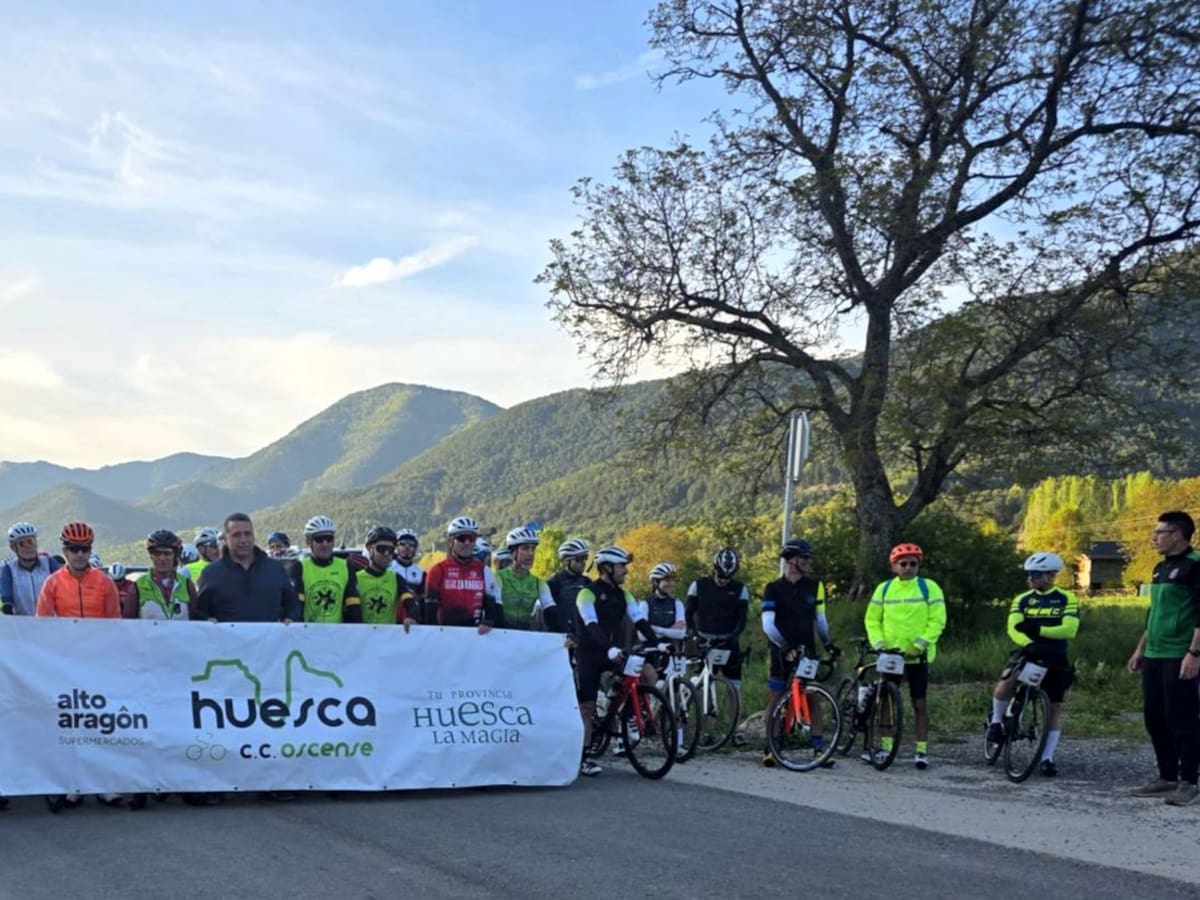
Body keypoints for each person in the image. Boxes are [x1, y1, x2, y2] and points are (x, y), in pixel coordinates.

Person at [1128, 510, 1200, 807]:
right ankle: (1166, 776)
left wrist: (1194, 653)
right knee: (1154, 716)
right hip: (1155, 652)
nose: (1153, 537)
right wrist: (1140, 648)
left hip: (1180, 652)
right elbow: (1154, 613)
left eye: (1160, 532)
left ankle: (1189, 781)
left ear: (1177, 535)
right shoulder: (1159, 568)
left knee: (1180, 717)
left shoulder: (1195, 566)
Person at [986, 552, 1079, 777]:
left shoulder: (1066, 598)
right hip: (1027, 650)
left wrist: (1039, 630)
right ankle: (997, 722)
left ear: (1050, 576)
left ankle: (1047, 757)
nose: (1031, 579)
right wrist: (1028, 642)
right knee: (1007, 681)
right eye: (1029, 574)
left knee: (1054, 706)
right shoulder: (1023, 599)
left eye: (1035, 574)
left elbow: (1070, 629)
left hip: (1056, 655)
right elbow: (1013, 627)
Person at [574, 546, 660, 777]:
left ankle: (629, 716)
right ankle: (585, 756)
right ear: (607, 568)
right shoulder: (587, 593)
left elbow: (640, 620)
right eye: (622, 566)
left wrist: (658, 643)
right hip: (590, 653)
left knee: (648, 672)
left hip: (616, 651)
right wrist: (609, 648)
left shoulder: (624, 594)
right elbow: (591, 625)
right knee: (587, 707)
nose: (626, 571)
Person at [865, 542, 946, 770]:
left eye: (913, 563)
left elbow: (937, 619)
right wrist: (879, 643)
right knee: (886, 702)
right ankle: (887, 745)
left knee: (919, 703)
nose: (908, 567)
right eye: (903, 564)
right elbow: (872, 619)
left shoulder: (929, 588)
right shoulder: (883, 589)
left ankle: (921, 750)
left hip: (917, 656)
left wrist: (921, 644)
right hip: (890, 655)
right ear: (894, 567)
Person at [761, 539, 835, 768]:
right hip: (781, 649)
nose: (808, 562)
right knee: (775, 698)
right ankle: (770, 747)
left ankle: (818, 747)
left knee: (812, 696)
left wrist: (828, 643)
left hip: (807, 649)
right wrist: (784, 647)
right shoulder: (773, 588)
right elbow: (768, 625)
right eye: (804, 558)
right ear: (791, 560)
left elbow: (820, 620)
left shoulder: (815, 586)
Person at [195, 513, 300, 623]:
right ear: (225, 539)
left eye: (247, 534)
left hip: (269, 639)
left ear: (254, 536)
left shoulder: (275, 569)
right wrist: (206, 620)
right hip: (227, 639)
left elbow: (292, 604)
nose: (243, 540)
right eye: (236, 535)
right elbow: (199, 611)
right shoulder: (211, 573)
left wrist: (291, 618)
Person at [685, 548, 750, 698]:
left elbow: (742, 619)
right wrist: (694, 635)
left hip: (728, 640)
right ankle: (705, 720)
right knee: (704, 686)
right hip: (704, 640)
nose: (724, 580)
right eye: (721, 575)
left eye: (729, 577)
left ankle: (736, 720)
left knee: (735, 687)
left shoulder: (740, 589)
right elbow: (688, 613)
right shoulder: (698, 585)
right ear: (714, 569)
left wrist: (733, 637)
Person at [424, 516, 502, 630]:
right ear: (451, 540)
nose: (467, 542)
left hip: (474, 635)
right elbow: (430, 611)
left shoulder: (483, 570)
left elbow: (492, 602)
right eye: (462, 538)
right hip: (445, 634)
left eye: (472, 538)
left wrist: (488, 620)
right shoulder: (437, 570)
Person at [285, 516, 362, 624]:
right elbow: (297, 605)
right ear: (309, 542)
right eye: (319, 539)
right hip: (309, 633)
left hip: (336, 634)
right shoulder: (299, 567)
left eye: (329, 539)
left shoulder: (346, 566)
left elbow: (353, 604)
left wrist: (358, 632)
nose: (325, 544)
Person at [36, 522, 120, 619]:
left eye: (85, 549)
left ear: (90, 551)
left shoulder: (106, 582)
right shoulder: (52, 583)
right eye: (74, 549)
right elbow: (42, 622)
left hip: (99, 634)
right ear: (65, 552)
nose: (80, 554)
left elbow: (115, 622)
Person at [357, 526, 420, 629]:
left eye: (390, 550)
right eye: (381, 549)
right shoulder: (356, 578)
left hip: (388, 638)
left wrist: (411, 617)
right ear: (369, 548)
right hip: (363, 638)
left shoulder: (396, 578)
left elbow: (411, 604)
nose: (386, 554)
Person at [496, 527, 555, 630]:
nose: (531, 553)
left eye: (533, 549)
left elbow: (550, 609)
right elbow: (495, 606)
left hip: (524, 635)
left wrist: (564, 631)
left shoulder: (538, 582)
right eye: (525, 548)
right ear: (513, 552)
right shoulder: (499, 577)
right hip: (500, 632)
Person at [1, 521, 60, 616]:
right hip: (23, 626)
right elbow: (7, 600)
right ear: (13, 547)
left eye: (31, 541)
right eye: (22, 543)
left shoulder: (50, 563)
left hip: (51, 623)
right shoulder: (9, 570)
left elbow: (64, 590)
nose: (28, 546)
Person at [136, 530, 197, 620]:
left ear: (175, 556)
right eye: (157, 553)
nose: (162, 558)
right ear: (151, 556)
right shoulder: (137, 586)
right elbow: (127, 625)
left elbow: (196, 618)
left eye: (167, 553)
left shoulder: (188, 586)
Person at [543, 538, 591, 635]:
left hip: (583, 637)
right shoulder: (554, 583)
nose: (583, 562)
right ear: (566, 562)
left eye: (585, 557)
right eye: (578, 559)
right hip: (562, 638)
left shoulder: (587, 582)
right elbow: (549, 616)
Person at [390, 528, 426, 610]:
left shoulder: (421, 573)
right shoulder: (388, 568)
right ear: (396, 547)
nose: (407, 547)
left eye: (411, 544)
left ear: (415, 548)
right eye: (402, 544)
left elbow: (423, 599)